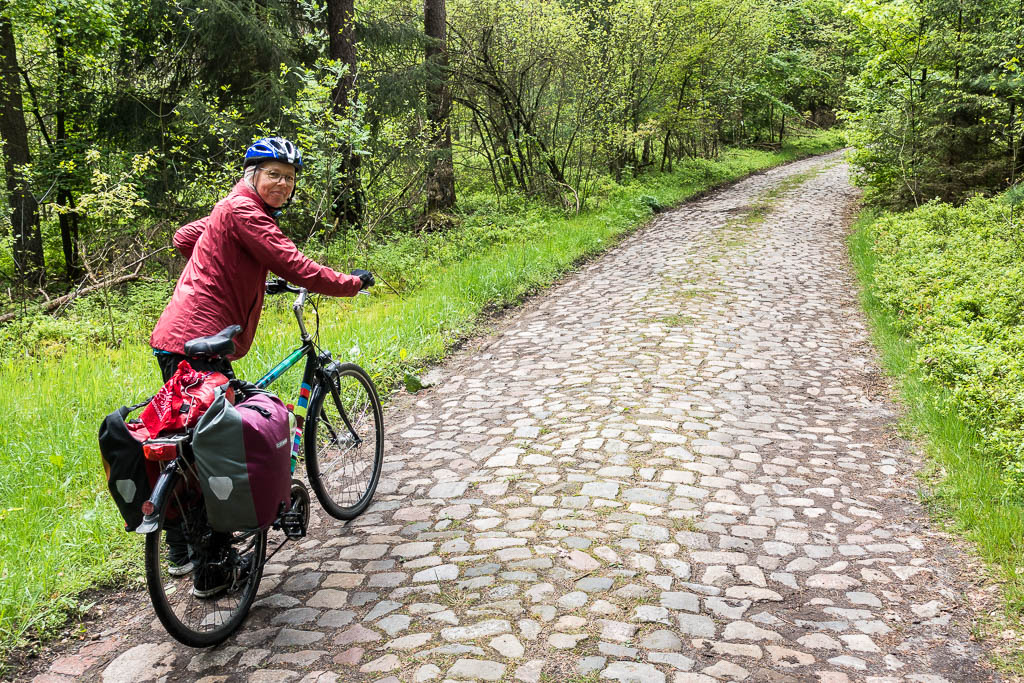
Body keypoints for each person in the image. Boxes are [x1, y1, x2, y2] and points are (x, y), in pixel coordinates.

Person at [149, 136, 374, 597]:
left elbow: (182, 238)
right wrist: (351, 284)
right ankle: (211, 570)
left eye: (290, 178)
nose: (283, 184)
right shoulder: (244, 211)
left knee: (188, 444)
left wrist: (234, 263)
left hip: (178, 337)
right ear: (253, 175)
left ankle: (181, 551)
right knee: (216, 449)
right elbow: (294, 264)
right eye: (274, 174)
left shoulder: (229, 209)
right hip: (199, 343)